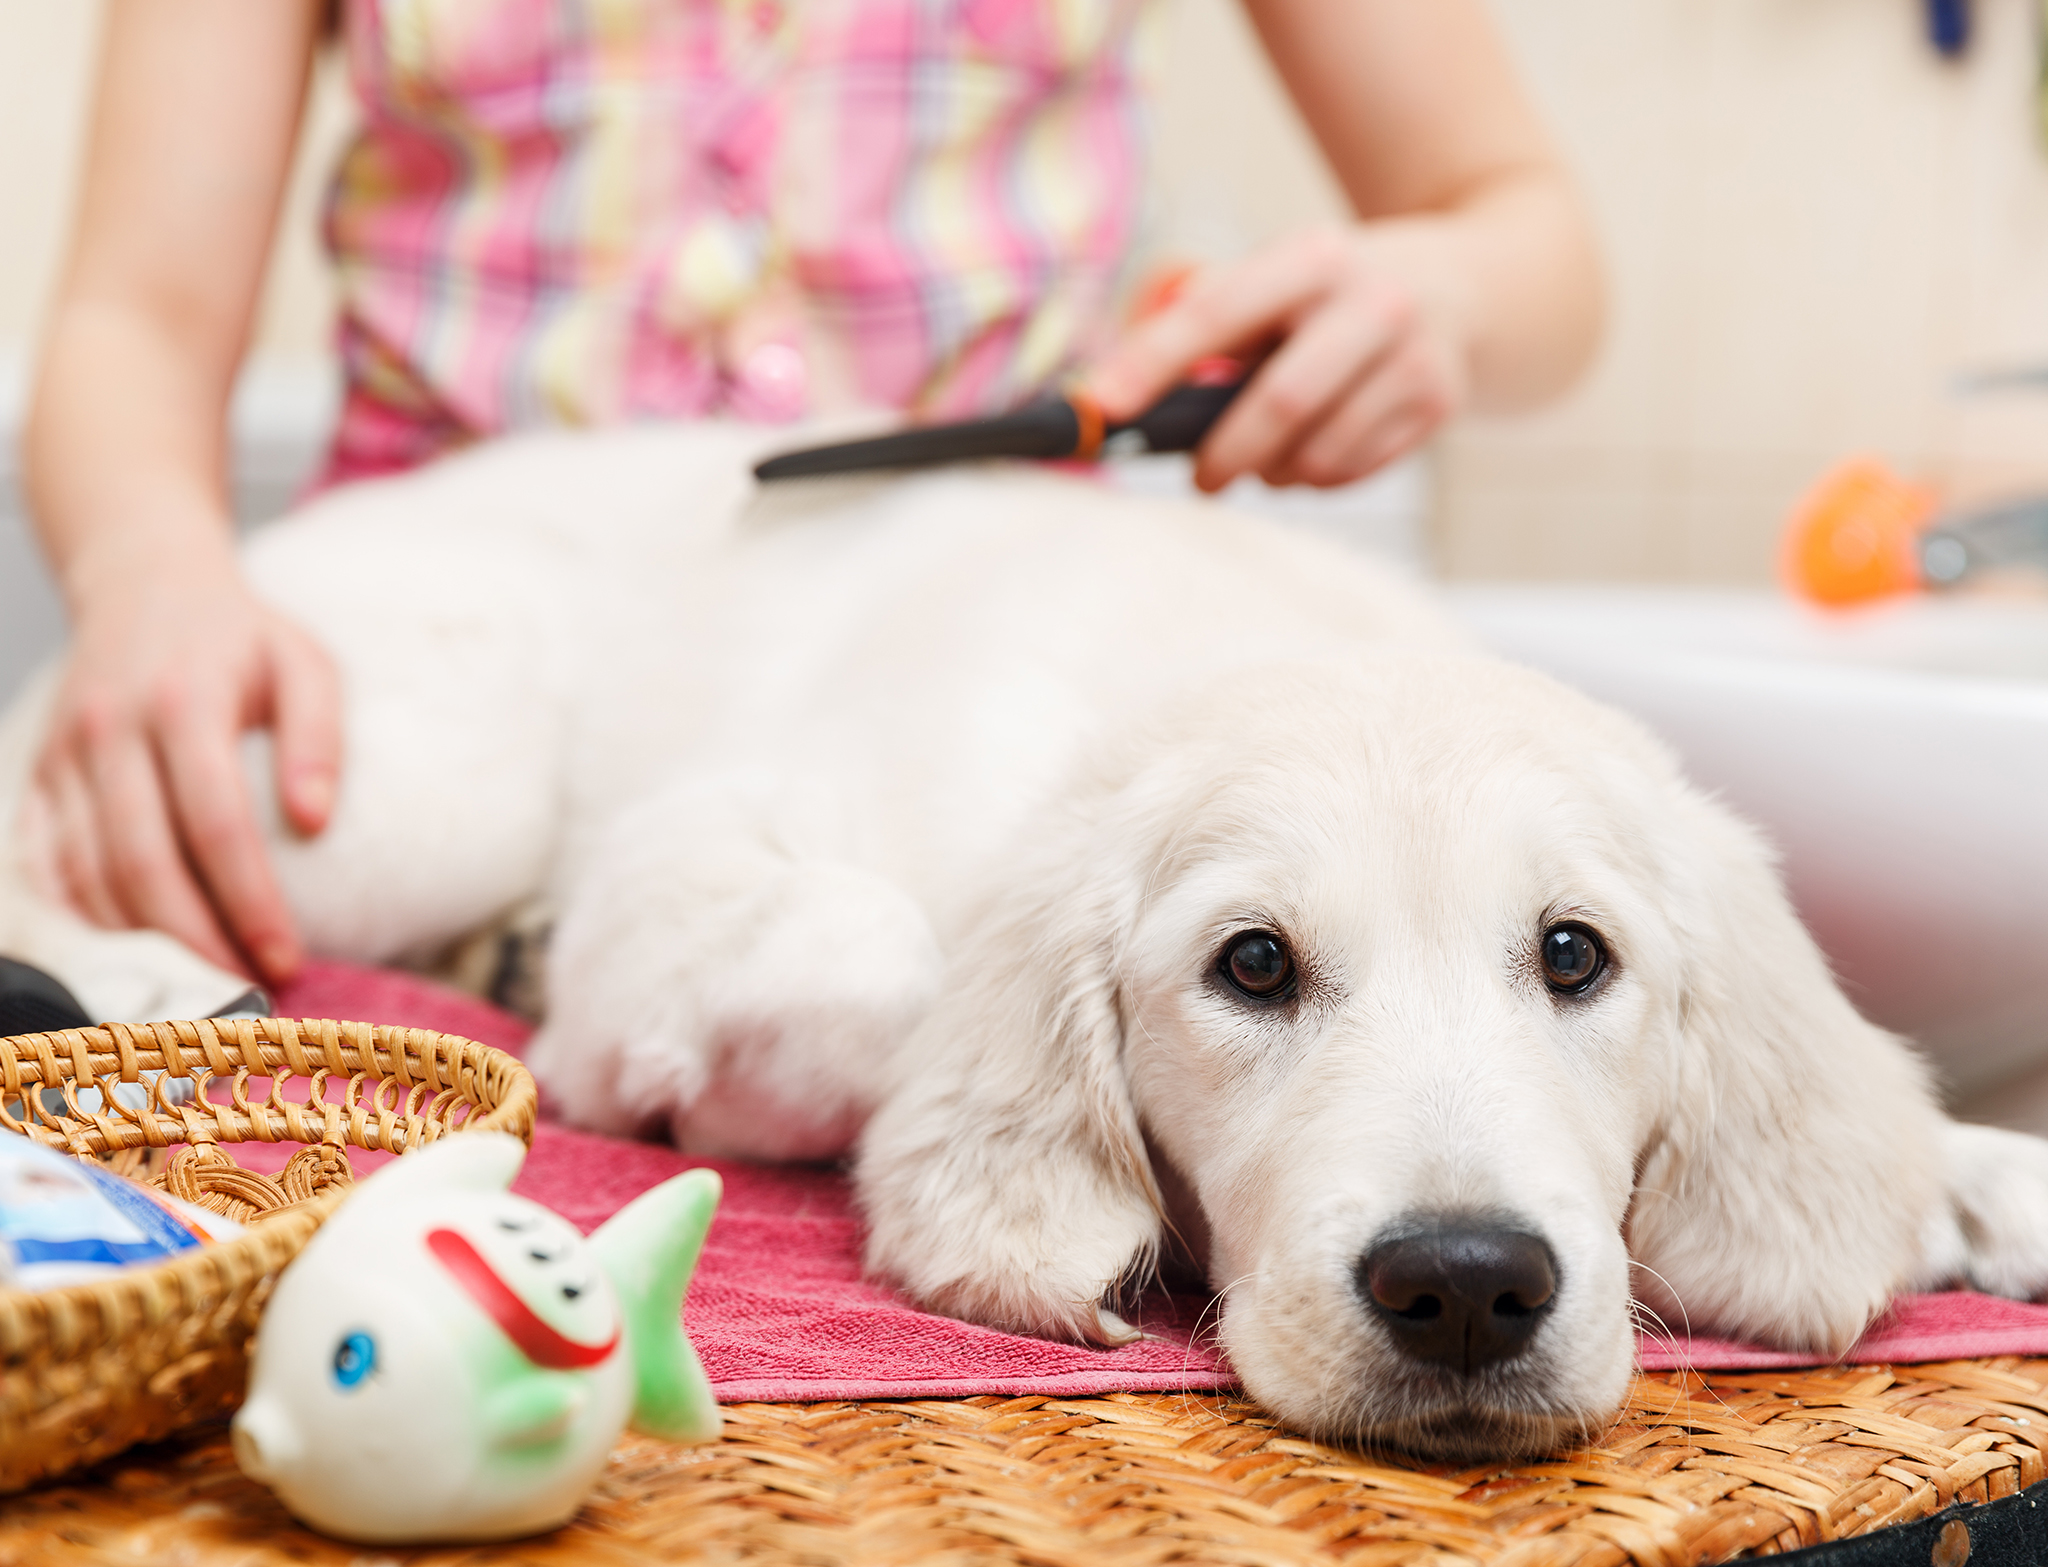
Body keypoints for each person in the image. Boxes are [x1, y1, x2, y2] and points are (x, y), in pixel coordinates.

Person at [22, 0, 1602, 991]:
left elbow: (1530, 242)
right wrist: (154, 571)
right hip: (443, 668)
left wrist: (1443, 292)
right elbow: (132, 322)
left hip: (942, 674)